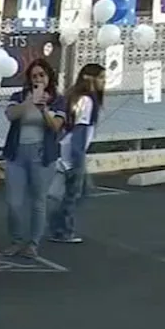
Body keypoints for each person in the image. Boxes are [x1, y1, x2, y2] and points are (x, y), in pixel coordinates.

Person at [2, 58, 66, 259]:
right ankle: (16, 239)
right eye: (34, 76)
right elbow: (11, 114)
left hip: (42, 154)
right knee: (14, 201)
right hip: (17, 152)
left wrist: (44, 109)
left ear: (49, 77)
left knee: (38, 200)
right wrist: (29, 102)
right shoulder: (19, 96)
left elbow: (56, 126)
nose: (38, 79)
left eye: (41, 75)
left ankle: (33, 243)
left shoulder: (57, 99)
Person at [49, 63, 105, 244]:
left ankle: (59, 225)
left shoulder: (78, 98)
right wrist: (78, 160)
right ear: (90, 78)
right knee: (72, 194)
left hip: (70, 151)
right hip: (73, 153)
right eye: (101, 78)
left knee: (82, 191)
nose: (104, 82)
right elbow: (79, 132)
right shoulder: (86, 101)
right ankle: (62, 230)